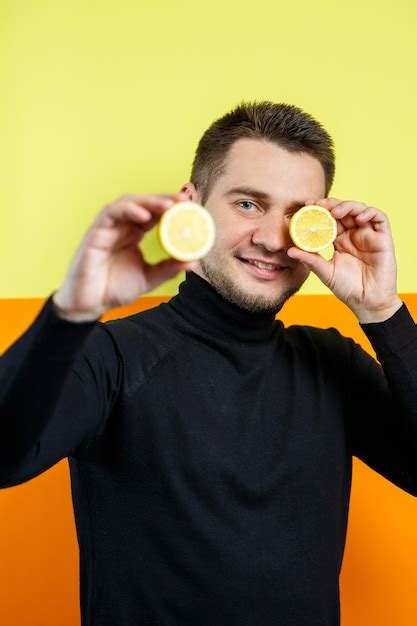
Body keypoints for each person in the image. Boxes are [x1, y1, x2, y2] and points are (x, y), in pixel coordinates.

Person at [1, 100, 416, 626]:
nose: (272, 239)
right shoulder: (111, 356)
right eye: (248, 204)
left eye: (296, 214)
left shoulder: (331, 364)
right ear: (191, 204)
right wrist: (71, 313)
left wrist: (384, 312)